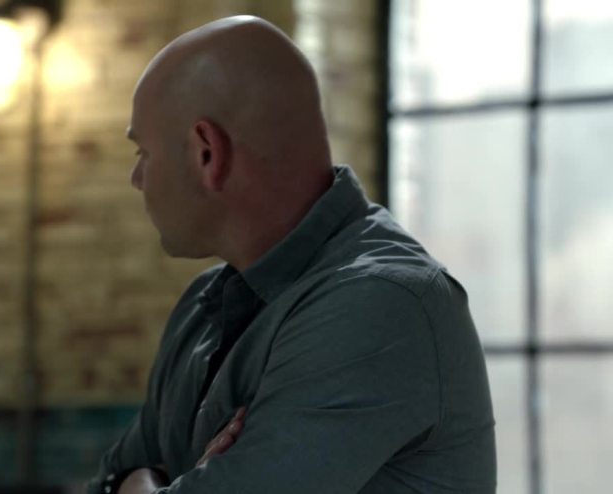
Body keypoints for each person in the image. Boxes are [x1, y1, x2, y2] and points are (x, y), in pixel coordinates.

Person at [86, 15, 496, 494]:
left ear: (206, 153)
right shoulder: (203, 307)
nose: (136, 179)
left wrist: (142, 483)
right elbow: (105, 482)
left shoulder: (380, 303)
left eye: (143, 154)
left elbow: (122, 481)